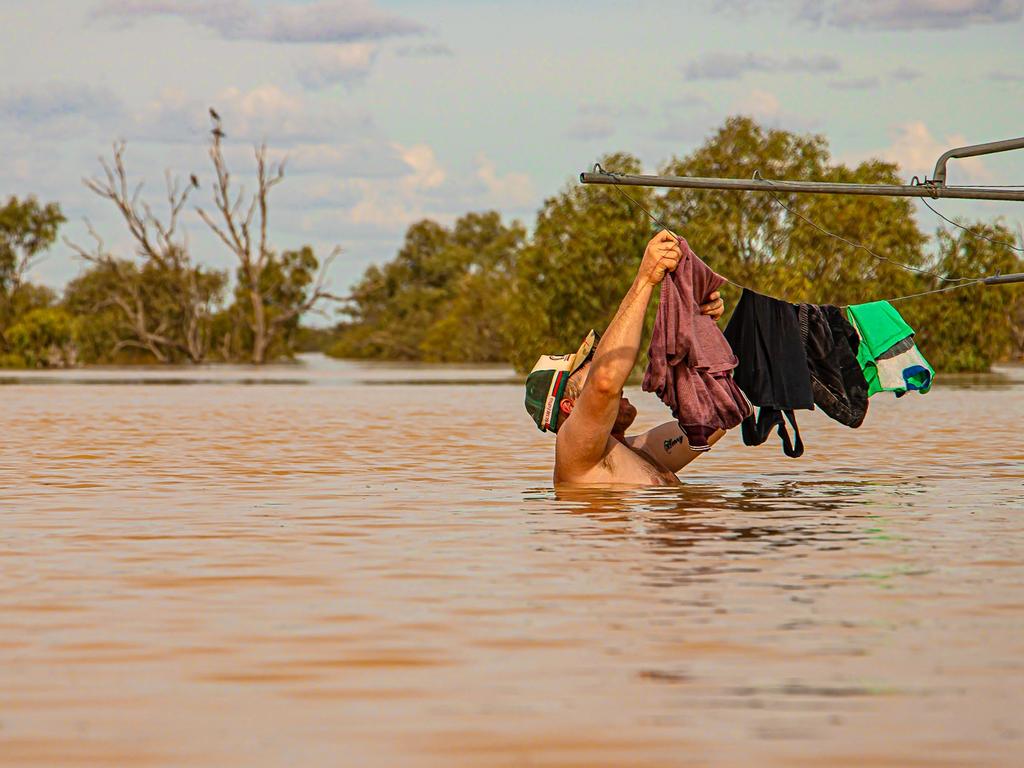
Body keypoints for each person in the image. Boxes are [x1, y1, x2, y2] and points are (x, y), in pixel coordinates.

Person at [524, 231, 727, 485]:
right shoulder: (573, 450)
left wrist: (702, 324)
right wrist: (645, 279)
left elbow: (717, 415)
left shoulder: (641, 449)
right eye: (589, 367)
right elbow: (605, 382)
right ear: (570, 406)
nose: (601, 367)